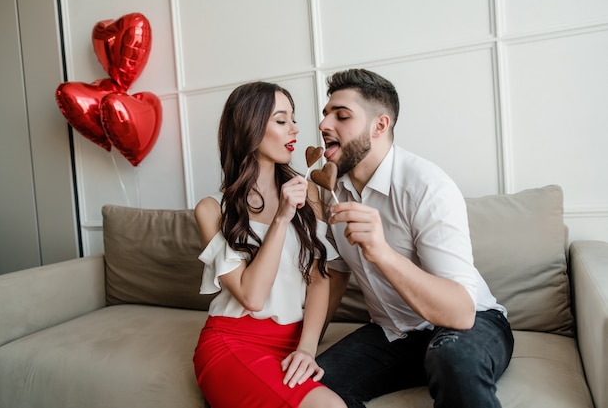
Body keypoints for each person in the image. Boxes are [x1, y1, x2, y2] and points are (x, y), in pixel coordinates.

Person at [315, 69, 514, 408]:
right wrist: (306, 345)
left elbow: (461, 313)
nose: (323, 125)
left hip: (469, 323)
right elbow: (335, 273)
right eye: (325, 114)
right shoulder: (329, 191)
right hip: (393, 333)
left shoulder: (426, 186)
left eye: (342, 115)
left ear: (380, 125)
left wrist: (382, 252)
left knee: (452, 359)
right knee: (308, 386)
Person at [192, 81, 347, 408]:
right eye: (281, 120)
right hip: (233, 343)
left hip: (293, 342)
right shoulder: (212, 210)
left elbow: (319, 278)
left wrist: (307, 348)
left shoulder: (309, 193)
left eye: (293, 118)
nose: (295, 128)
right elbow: (252, 296)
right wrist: (281, 219)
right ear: (250, 127)